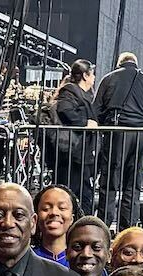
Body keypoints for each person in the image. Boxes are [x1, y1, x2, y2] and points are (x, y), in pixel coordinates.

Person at [95, 52, 143, 230]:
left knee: (109, 183)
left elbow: (96, 110)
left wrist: (106, 124)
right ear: (135, 64)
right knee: (133, 187)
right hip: (140, 137)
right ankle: (128, 230)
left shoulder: (109, 79)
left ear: (119, 64)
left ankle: (103, 228)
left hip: (116, 134)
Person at [51, 59, 99, 213]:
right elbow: (65, 110)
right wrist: (85, 123)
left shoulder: (82, 94)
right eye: (92, 74)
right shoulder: (70, 90)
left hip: (80, 153)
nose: (94, 78)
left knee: (84, 193)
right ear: (85, 75)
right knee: (72, 192)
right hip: (73, 151)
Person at [31, 184, 77, 266]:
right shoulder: (27, 260)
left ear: (71, 218)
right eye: (46, 208)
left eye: (62, 208)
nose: (54, 213)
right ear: (36, 217)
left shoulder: (79, 260)